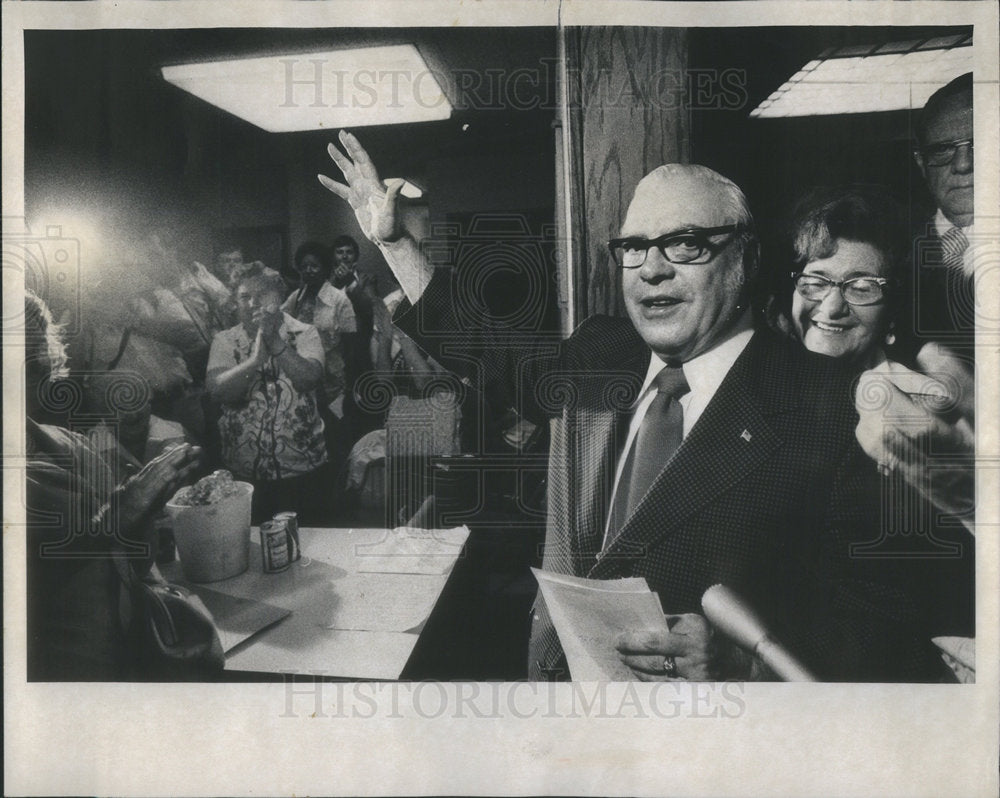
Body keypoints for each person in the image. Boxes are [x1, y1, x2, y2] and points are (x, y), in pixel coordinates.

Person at [319, 131, 964, 682]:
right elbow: (493, 352)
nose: (650, 269)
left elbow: (893, 623)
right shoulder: (605, 351)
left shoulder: (828, 410)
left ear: (747, 257)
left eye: (686, 243)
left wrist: (751, 660)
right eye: (633, 247)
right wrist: (397, 244)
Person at [25, 290, 202, 680]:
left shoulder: (69, 443)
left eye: (39, 345)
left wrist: (144, 512)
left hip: (127, 653)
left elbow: (134, 562)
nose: (37, 362)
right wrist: (120, 516)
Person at [854, 74, 976, 532]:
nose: (963, 164)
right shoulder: (889, 257)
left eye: (980, 143)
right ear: (922, 163)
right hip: (913, 498)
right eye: (944, 151)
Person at [206, 264, 331, 523]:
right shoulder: (225, 340)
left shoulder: (304, 332)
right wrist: (254, 362)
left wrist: (275, 343)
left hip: (302, 468)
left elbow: (309, 379)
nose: (252, 303)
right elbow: (217, 391)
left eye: (262, 295)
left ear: (280, 297)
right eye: (244, 297)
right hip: (244, 473)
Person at [767, 185, 907, 369]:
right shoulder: (754, 380)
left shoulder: (918, 396)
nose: (832, 308)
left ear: (892, 311)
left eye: (861, 288)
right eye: (816, 283)